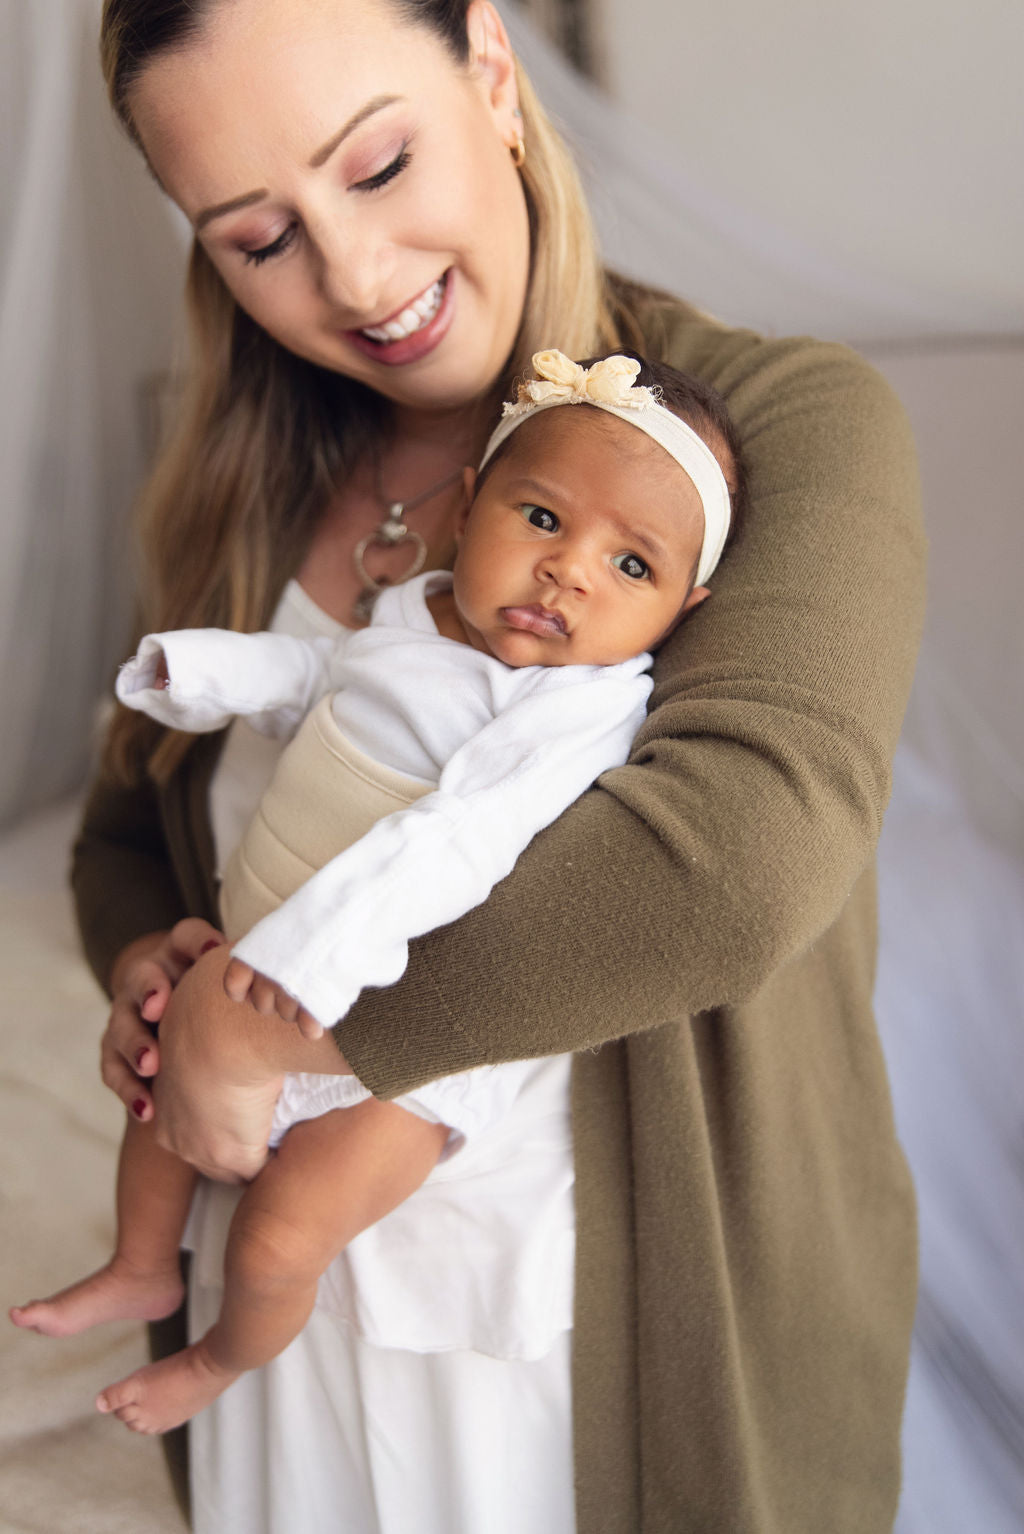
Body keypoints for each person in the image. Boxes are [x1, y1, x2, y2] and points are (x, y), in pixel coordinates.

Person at [73, 0, 926, 1529]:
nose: (356, 277)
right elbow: (125, 829)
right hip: (283, 1323)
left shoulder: (794, 426)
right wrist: (151, 970)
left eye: (381, 163)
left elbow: (731, 869)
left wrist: (269, 1031)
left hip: (580, 1339)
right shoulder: (241, 492)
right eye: (260, 237)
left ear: (488, 67)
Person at [13, 349, 741, 1439]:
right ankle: (137, 1267)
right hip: (261, 959)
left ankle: (220, 1358)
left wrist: (312, 958)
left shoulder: (577, 707)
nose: (568, 572)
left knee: (276, 1236)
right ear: (466, 506)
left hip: (403, 1050)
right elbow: (316, 682)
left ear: (684, 609)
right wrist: (204, 672)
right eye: (540, 518)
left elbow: (460, 838)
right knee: (157, 1100)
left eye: (629, 566)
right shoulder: (417, 609)